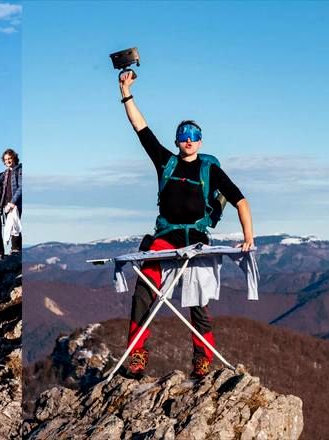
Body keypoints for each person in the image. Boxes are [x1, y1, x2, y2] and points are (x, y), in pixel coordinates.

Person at [118, 71, 254, 378]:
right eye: (183, 136)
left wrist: (249, 237)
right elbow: (141, 129)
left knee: (198, 297)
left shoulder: (210, 169)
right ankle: (137, 354)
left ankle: (202, 359)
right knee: (145, 288)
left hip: (196, 240)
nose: (188, 141)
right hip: (166, 236)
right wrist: (126, 93)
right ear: (177, 140)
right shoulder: (165, 161)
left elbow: (240, 200)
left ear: (201, 140)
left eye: (193, 136)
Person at [0, 148, 22, 254]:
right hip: (6, 204)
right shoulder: (6, 173)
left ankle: (16, 249)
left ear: (14, 158)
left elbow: (21, 187)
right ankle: (15, 249)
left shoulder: (19, 170)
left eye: (10, 158)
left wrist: (13, 202)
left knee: (15, 225)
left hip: (15, 204)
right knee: (11, 225)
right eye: (6, 159)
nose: (8, 161)